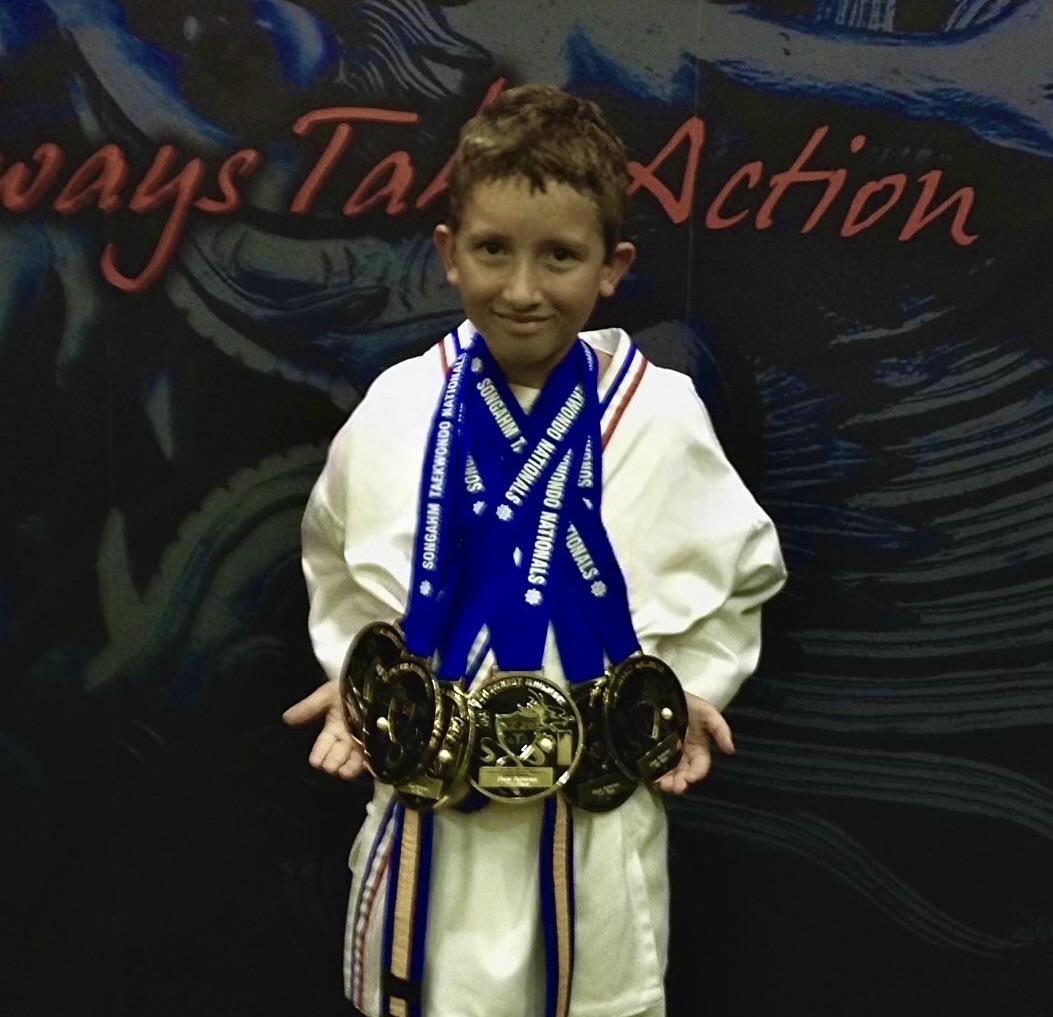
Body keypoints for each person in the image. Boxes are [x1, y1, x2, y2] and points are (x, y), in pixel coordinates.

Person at [283, 84, 786, 1017]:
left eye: (559, 255)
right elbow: (337, 561)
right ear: (446, 253)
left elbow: (741, 572)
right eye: (492, 250)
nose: (521, 289)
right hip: (434, 815)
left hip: (590, 821)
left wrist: (693, 683)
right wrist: (360, 683)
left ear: (610, 266)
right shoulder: (397, 405)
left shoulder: (660, 412)